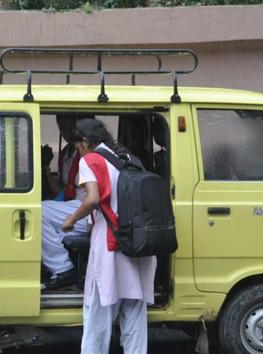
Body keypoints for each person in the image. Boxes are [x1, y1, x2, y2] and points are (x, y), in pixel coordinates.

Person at [61, 119, 156, 354]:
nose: (77, 152)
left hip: (110, 245)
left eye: (77, 147)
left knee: (98, 312)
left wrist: (71, 220)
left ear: (85, 141)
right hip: (138, 243)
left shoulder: (90, 160)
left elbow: (93, 198)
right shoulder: (128, 159)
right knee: (134, 312)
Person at [41, 114, 90, 289]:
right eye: (62, 128)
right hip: (72, 207)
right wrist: (45, 167)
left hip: (87, 211)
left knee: (38, 211)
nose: (66, 133)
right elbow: (62, 191)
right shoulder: (66, 154)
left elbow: (94, 196)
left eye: (70, 128)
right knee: (51, 230)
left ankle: (63, 269)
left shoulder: (88, 151)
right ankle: (62, 273)